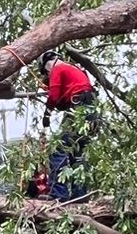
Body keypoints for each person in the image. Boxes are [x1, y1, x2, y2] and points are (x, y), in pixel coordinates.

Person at [38, 51, 100, 201]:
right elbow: (69, 96)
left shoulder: (57, 69)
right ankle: (80, 196)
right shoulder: (75, 68)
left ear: (46, 66)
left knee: (57, 150)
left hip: (78, 111)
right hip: (91, 112)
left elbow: (53, 97)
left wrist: (46, 115)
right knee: (77, 154)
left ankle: (58, 194)